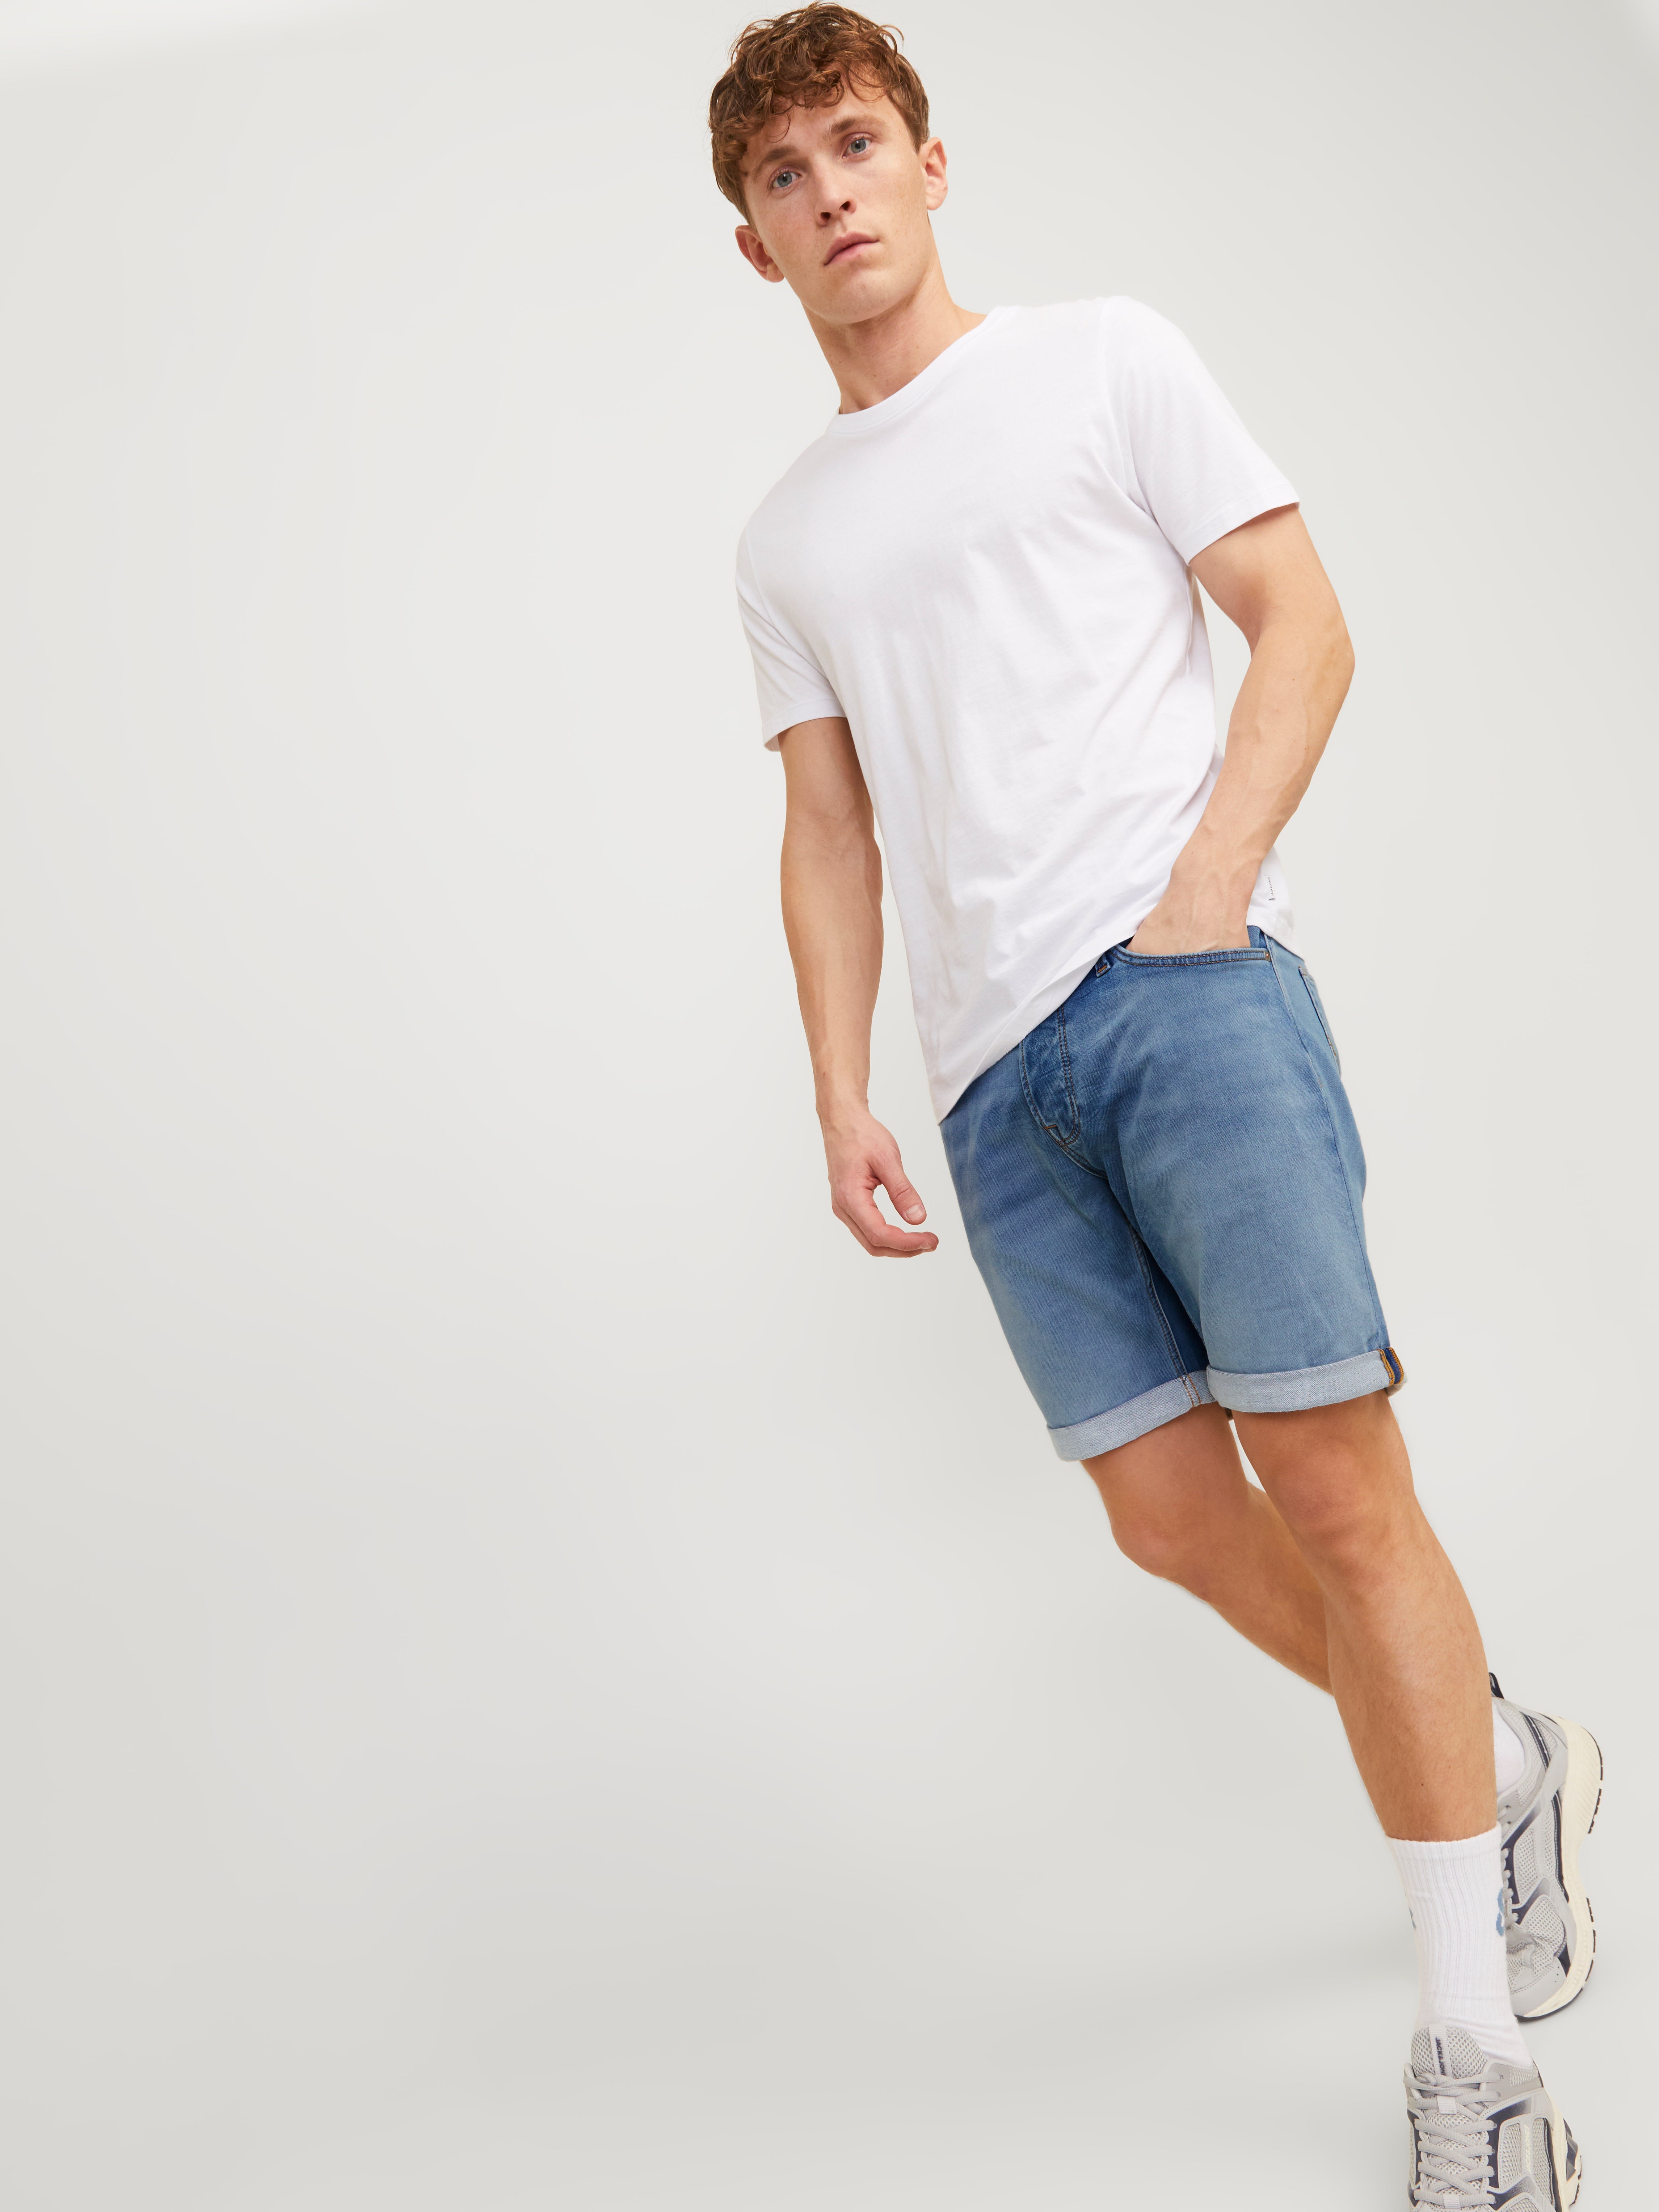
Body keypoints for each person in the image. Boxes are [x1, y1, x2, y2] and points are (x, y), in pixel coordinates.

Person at [710, 9, 1600, 2201]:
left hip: (1186, 1002)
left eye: (856, 144)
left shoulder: (1101, 359)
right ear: (752, 244)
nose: (831, 192)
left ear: (930, 164)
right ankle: (1501, 1761)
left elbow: (1302, 621)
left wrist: (1205, 903)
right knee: (1172, 1520)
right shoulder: (784, 541)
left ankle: (1473, 2061)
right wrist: (838, 1084)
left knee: (1336, 1487)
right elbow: (827, 828)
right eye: (784, 175)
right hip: (992, 1087)